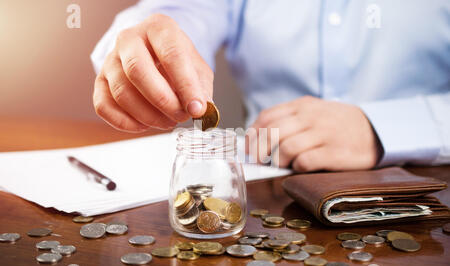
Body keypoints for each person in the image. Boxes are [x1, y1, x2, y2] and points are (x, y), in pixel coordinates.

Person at [91, 0, 450, 172]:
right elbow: (182, 10)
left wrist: (381, 128)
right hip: (263, 182)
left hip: (424, 185)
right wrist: (148, 43)